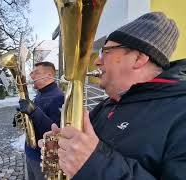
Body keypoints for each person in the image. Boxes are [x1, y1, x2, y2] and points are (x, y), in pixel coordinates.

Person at [40, 12, 186, 179]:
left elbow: (90, 160)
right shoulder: (109, 103)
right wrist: (65, 147)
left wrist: (94, 164)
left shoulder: (181, 114)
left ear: (138, 58)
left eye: (106, 52)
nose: (97, 61)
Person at [17, 61, 64, 180]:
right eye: (32, 72)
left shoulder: (58, 97)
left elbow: (56, 132)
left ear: (48, 76)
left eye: (36, 72)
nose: (31, 76)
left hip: (44, 157)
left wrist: (33, 111)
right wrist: (22, 118)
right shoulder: (40, 94)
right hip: (32, 152)